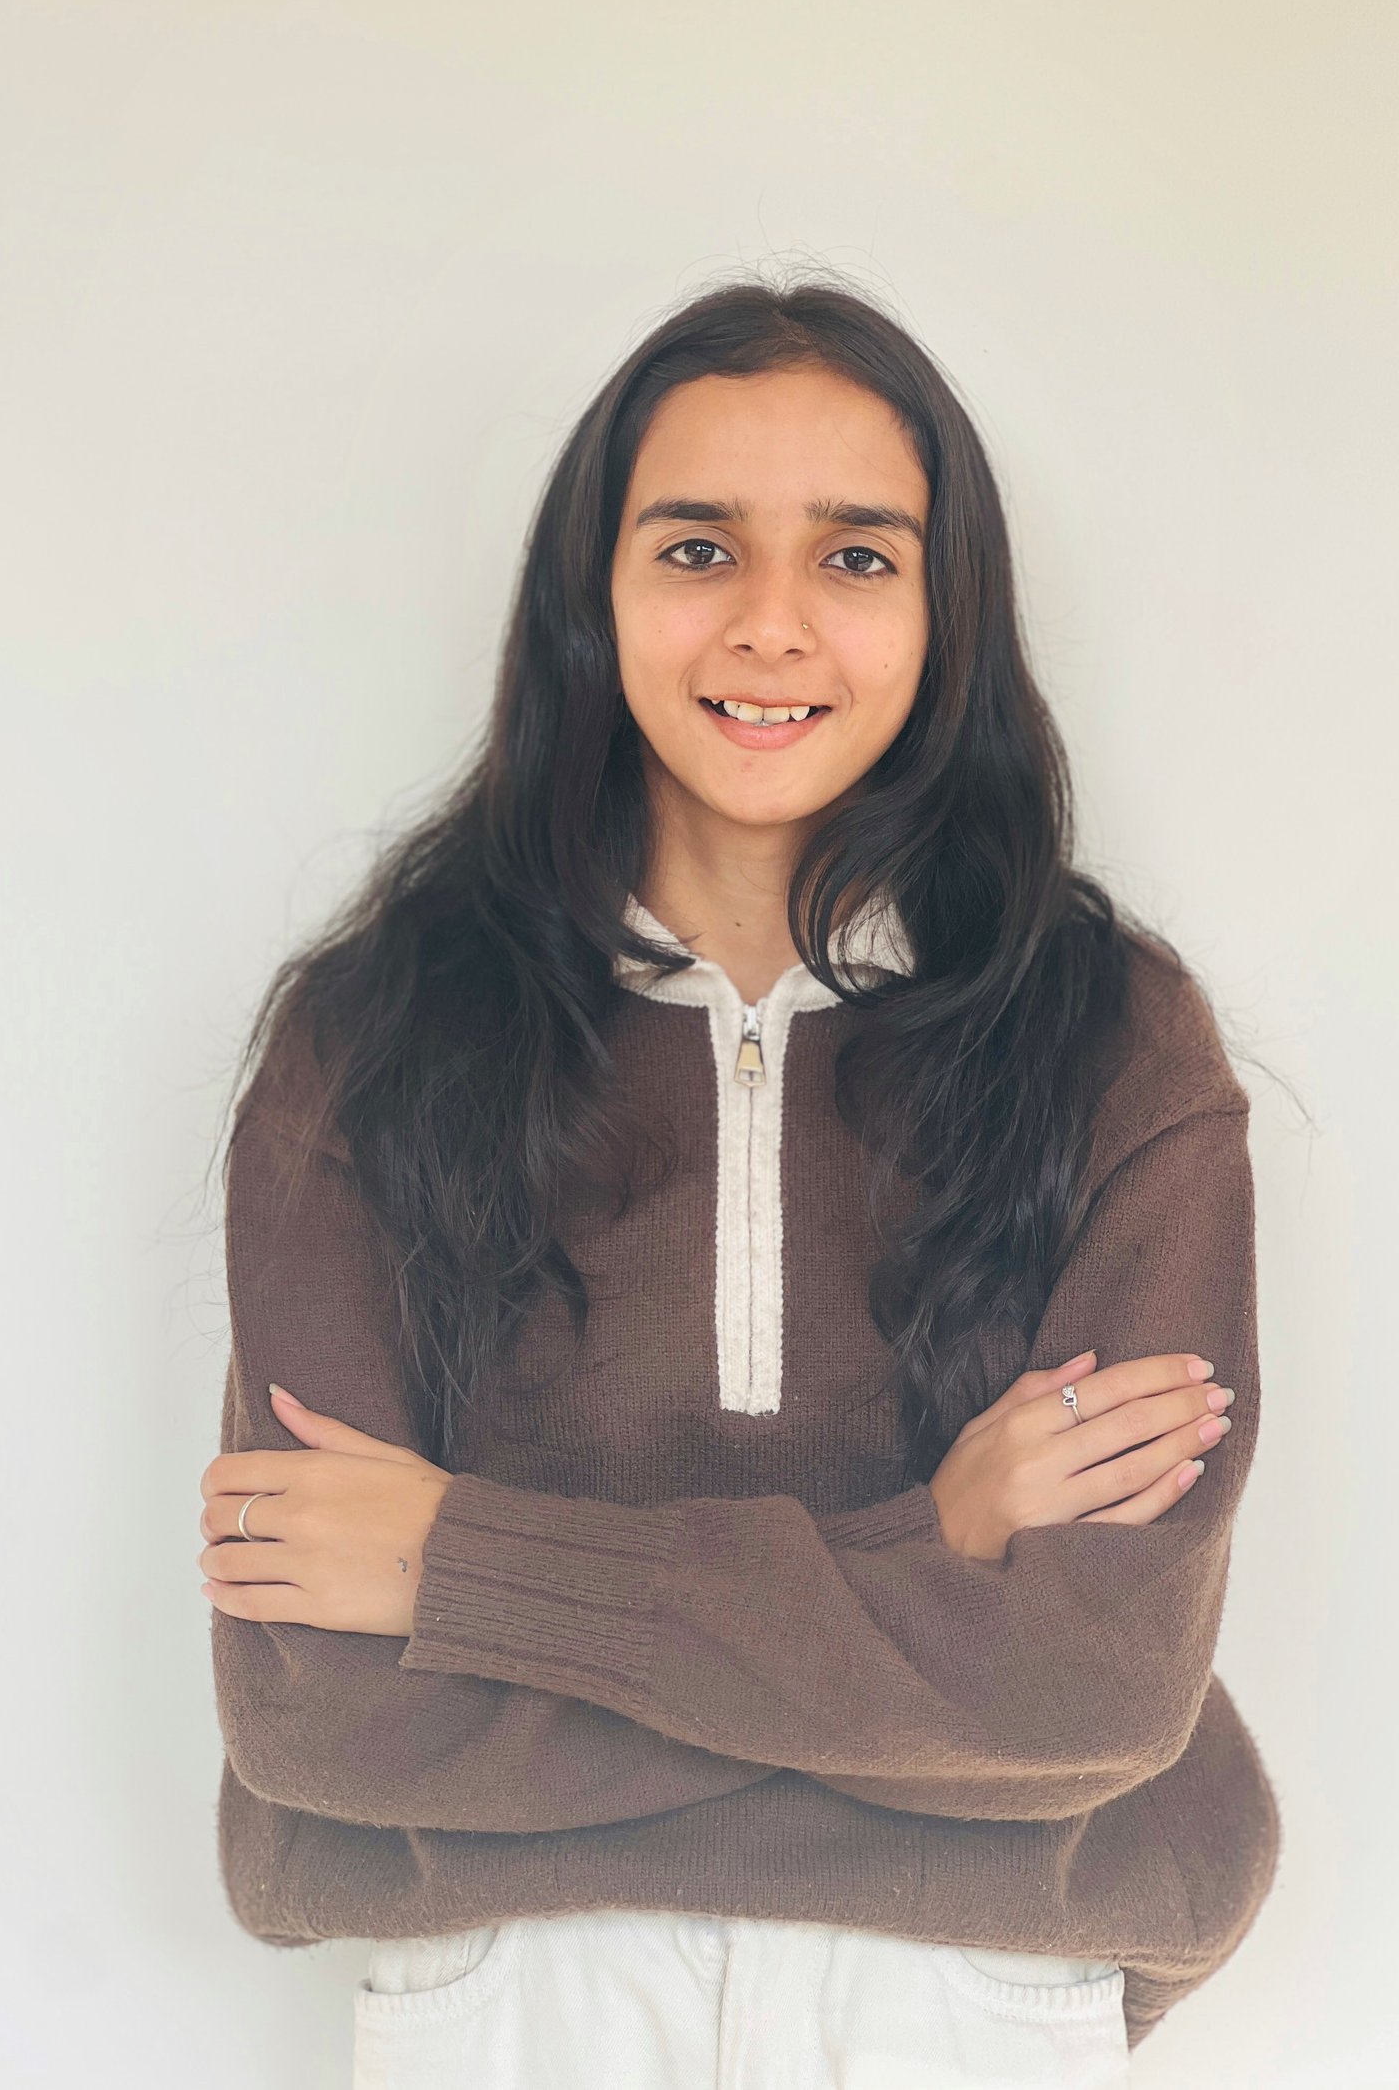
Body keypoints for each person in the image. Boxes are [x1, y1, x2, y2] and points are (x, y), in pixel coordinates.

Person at [198, 277, 1279, 2089]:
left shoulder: (1114, 1043)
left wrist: (467, 1568)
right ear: (594, 594)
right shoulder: (371, 1041)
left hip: (973, 2013)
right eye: (698, 546)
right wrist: (930, 1562)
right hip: (516, 2010)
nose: (771, 623)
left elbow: (1085, 1690)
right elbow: (324, 1721)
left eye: (856, 557)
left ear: (945, 609)